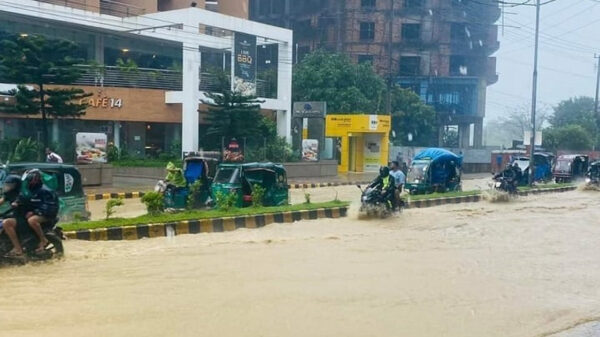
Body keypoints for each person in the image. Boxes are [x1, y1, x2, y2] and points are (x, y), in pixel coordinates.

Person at [13, 170, 59, 254]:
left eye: (29, 180)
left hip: (46, 214)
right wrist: (17, 202)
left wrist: (35, 212)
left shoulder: (46, 191)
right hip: (32, 213)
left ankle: (43, 239)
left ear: (35, 179)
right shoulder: (29, 189)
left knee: (32, 220)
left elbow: (50, 206)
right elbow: (23, 197)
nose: (28, 182)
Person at [0, 175, 27, 258]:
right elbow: (1, 201)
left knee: (6, 223)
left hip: (23, 217)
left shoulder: (21, 194)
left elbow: (18, 202)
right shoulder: (8, 193)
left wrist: (16, 203)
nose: (6, 186)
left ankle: (18, 248)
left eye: (9, 184)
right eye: (6, 184)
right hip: (14, 215)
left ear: (15, 185)